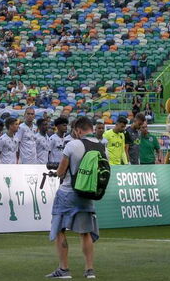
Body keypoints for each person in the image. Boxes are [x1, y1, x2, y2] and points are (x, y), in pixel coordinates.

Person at [47, 116, 100, 279]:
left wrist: (55, 172)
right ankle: (89, 270)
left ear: (78, 130)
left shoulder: (72, 145)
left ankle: (64, 269)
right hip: (88, 193)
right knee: (85, 232)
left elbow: (61, 171)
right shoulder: (101, 145)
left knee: (60, 230)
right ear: (91, 128)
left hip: (68, 193)